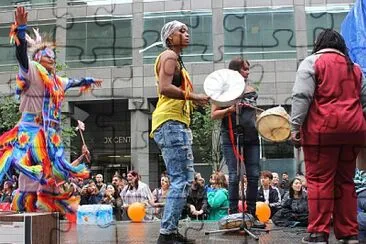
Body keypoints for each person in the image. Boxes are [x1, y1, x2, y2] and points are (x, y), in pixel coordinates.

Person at [0, 6, 102, 213]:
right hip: (30, 132)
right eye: (48, 55)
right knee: (31, 175)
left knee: (51, 176)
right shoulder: (32, 71)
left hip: (49, 135)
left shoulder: (57, 81)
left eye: (53, 55)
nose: (52, 58)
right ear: (38, 58)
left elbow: (73, 81)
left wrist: (88, 80)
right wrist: (20, 29)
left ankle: (45, 211)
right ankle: (26, 213)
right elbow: (21, 55)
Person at [291, 29, 366, 243]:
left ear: (319, 44)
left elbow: (301, 95)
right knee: (346, 182)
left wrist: (295, 126)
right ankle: (349, 234)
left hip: (322, 132)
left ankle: (318, 232)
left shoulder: (311, 63)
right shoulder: (356, 68)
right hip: (353, 131)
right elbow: (365, 101)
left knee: (319, 180)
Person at [149, 20, 209, 244]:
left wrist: (197, 102)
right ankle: (167, 234)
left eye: (187, 30)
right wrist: (194, 96)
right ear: (169, 37)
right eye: (181, 31)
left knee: (182, 179)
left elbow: (176, 92)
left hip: (175, 123)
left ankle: (170, 231)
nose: (186, 34)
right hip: (170, 122)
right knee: (181, 180)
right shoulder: (169, 56)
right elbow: (165, 88)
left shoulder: (176, 60)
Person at [211, 57, 262, 225]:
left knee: (254, 175)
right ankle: (233, 215)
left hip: (252, 137)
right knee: (234, 176)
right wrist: (230, 109)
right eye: (245, 69)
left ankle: (251, 214)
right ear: (235, 71)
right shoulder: (223, 90)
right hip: (231, 136)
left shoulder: (252, 90)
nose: (248, 72)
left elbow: (253, 115)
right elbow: (214, 114)